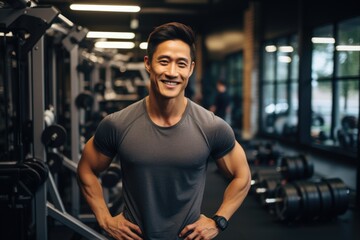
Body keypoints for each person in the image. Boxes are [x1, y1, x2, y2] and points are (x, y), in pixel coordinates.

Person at [77, 22, 251, 240]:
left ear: (191, 68)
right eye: (164, 61)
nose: (172, 72)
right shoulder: (118, 124)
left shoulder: (211, 126)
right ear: (148, 64)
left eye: (181, 64)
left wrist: (219, 220)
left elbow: (242, 175)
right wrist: (104, 218)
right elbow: (86, 169)